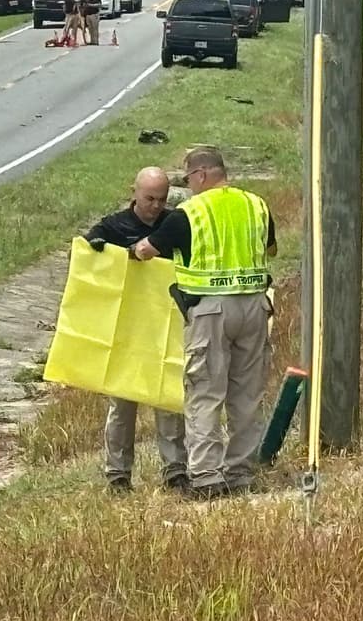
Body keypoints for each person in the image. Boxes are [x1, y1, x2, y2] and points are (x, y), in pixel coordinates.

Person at [132, 146, 276, 499]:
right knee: (246, 394)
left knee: (205, 393)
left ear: (200, 175)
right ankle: (241, 472)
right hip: (255, 307)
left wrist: (134, 250)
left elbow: (148, 250)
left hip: (210, 313)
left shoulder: (189, 214)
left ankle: (208, 476)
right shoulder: (256, 205)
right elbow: (270, 250)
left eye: (189, 179)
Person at [85, 167, 188, 493]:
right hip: (127, 330)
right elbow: (87, 264)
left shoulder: (174, 223)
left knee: (169, 400)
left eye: (161, 199)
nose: (155, 206)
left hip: (165, 327)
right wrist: (98, 250)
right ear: (134, 193)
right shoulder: (112, 226)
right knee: (122, 406)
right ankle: (117, 475)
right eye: (149, 199)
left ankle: (175, 471)